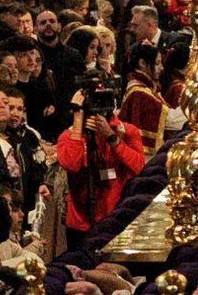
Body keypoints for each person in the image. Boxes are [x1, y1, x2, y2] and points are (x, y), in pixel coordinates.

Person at [55, 87, 145, 251]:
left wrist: (112, 137)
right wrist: (78, 119)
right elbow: (71, 164)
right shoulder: (69, 135)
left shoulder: (127, 131)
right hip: (81, 223)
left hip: (118, 217)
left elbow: (139, 168)